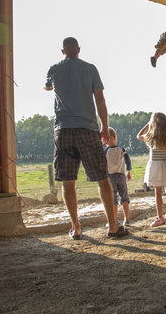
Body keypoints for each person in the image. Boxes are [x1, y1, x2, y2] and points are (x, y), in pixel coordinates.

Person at [44, 37, 130, 240]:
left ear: (63, 51)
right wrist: (105, 127)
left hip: (63, 130)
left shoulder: (54, 69)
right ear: (79, 50)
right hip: (88, 129)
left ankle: (75, 228)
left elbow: (47, 88)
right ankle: (112, 227)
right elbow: (100, 99)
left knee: (68, 182)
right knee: (102, 179)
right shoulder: (90, 69)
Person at [137, 112, 166, 226]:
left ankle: (160, 217)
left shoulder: (150, 136)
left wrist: (146, 125)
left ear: (153, 123)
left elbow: (138, 136)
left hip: (155, 167)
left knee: (158, 192)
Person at [104, 127, 132, 226]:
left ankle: (115, 220)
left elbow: (103, 164)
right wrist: (129, 172)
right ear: (115, 137)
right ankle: (127, 219)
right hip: (121, 176)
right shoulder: (121, 149)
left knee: (113, 199)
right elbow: (128, 161)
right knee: (124, 197)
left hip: (110, 177)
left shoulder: (106, 151)